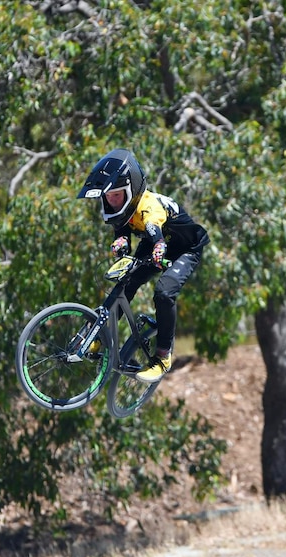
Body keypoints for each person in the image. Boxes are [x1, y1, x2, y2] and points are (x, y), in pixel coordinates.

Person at [77, 148, 210, 384]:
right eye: (108, 196)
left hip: (185, 248)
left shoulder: (149, 206)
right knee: (125, 282)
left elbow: (152, 227)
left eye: (116, 195)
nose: (111, 200)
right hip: (156, 245)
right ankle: (100, 336)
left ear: (131, 191)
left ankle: (162, 358)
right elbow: (123, 230)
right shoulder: (122, 208)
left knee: (164, 293)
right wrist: (122, 241)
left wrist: (158, 245)